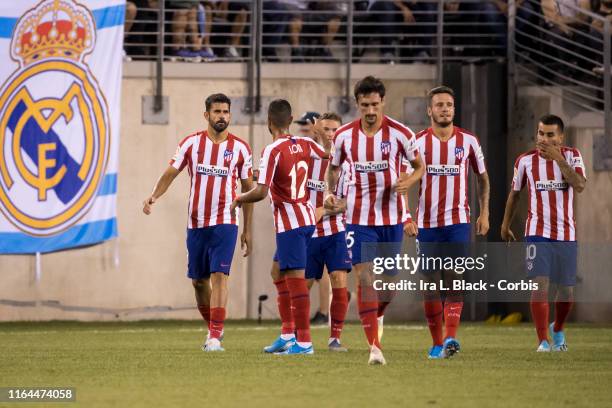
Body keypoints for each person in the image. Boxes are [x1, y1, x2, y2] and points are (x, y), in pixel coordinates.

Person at [324, 76, 425, 365]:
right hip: (357, 219)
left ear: (383, 102)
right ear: (358, 104)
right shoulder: (344, 135)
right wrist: (331, 193)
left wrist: (409, 181)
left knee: (389, 285)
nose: (370, 110)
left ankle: (377, 314)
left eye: (375, 104)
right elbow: (333, 169)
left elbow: (420, 167)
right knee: (365, 277)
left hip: (391, 219)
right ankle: (375, 348)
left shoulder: (401, 134)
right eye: (365, 105)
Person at [142, 93, 253, 352]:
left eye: (226, 112)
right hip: (196, 223)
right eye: (217, 112)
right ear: (207, 115)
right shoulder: (191, 144)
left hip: (226, 221)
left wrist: (247, 229)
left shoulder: (240, 148)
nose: (222, 116)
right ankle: (213, 328)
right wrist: (154, 196)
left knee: (219, 276)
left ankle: (214, 337)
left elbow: (249, 190)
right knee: (199, 282)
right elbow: (171, 173)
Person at [231, 99, 327, 355]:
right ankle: (287, 335)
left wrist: (239, 198)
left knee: (296, 282)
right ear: (291, 119)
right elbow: (330, 155)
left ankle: (304, 342)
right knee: (277, 273)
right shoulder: (307, 143)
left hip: (291, 224)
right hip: (306, 219)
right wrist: (322, 137)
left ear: (269, 122)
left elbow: (261, 192)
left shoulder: (272, 150)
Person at [413, 86, 490, 359]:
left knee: (456, 279)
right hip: (427, 223)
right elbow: (403, 179)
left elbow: (482, 178)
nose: (444, 109)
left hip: (458, 221)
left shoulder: (468, 141)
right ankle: (436, 343)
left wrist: (484, 213)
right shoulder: (418, 142)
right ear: (429, 110)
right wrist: (406, 216)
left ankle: (450, 338)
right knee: (430, 283)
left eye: (449, 105)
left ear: (454, 109)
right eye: (439, 105)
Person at [501, 114, 586, 352]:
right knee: (540, 283)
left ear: (561, 137)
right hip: (536, 232)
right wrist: (505, 225)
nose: (544, 139)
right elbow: (515, 194)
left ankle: (557, 328)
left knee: (566, 290)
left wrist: (559, 159)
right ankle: (543, 341)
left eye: (550, 135)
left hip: (566, 233)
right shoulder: (525, 161)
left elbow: (579, 185)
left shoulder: (573, 156)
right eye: (541, 134)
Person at [305, 112, 353, 351]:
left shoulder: (348, 164)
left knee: (339, 281)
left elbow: (354, 201)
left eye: (335, 130)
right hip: (308, 232)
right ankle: (296, 336)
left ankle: (335, 338)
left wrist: (325, 210)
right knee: (301, 286)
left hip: (336, 231)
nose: (331, 134)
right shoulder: (307, 158)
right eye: (326, 129)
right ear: (317, 131)